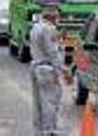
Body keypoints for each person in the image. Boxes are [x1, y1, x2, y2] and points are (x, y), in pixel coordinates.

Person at [30, 8, 72, 136]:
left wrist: (58, 37)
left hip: (36, 66)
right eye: (57, 17)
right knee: (50, 101)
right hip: (47, 69)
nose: (58, 21)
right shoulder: (49, 29)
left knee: (38, 102)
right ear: (52, 17)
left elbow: (44, 43)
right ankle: (49, 131)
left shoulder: (36, 27)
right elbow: (52, 53)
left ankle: (39, 131)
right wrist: (65, 71)